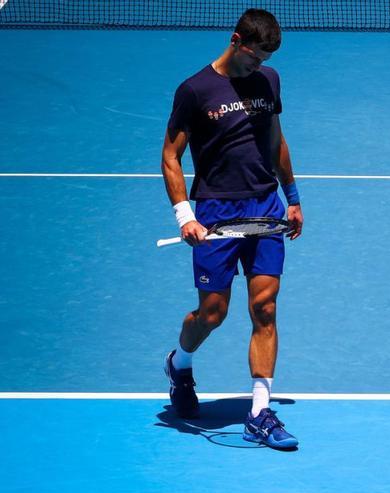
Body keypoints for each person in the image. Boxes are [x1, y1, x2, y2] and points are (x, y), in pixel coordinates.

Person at [161, 8, 303, 449]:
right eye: (254, 56)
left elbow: (275, 139)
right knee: (213, 314)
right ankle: (180, 364)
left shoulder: (269, 81)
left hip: (264, 207)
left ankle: (260, 414)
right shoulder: (195, 90)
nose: (259, 66)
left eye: (265, 59)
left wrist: (293, 198)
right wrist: (186, 215)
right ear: (236, 40)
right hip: (216, 212)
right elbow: (170, 155)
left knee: (265, 308)